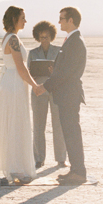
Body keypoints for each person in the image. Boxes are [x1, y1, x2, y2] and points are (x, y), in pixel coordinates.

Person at [36, 7, 88, 185]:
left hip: (69, 94)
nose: (59, 22)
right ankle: (75, 170)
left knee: (72, 132)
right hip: (66, 94)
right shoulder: (71, 40)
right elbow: (65, 68)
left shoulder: (75, 42)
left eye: (62, 18)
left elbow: (66, 72)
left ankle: (79, 172)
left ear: (71, 20)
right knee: (69, 132)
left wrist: (45, 86)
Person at [0, 6, 39, 184]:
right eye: (22, 18)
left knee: (12, 123)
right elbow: (21, 67)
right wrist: (35, 85)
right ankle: (16, 168)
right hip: (14, 83)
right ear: (14, 19)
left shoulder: (8, 38)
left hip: (10, 82)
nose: (25, 21)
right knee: (16, 123)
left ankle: (14, 166)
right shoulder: (13, 39)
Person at [27, 20, 66, 169]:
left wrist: (53, 72)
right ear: (37, 37)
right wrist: (33, 76)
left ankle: (61, 158)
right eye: (42, 37)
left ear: (52, 36)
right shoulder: (32, 53)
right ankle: (38, 158)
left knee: (59, 125)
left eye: (47, 37)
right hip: (38, 90)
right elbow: (28, 72)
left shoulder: (59, 51)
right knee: (38, 125)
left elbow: (63, 71)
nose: (45, 40)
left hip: (55, 90)